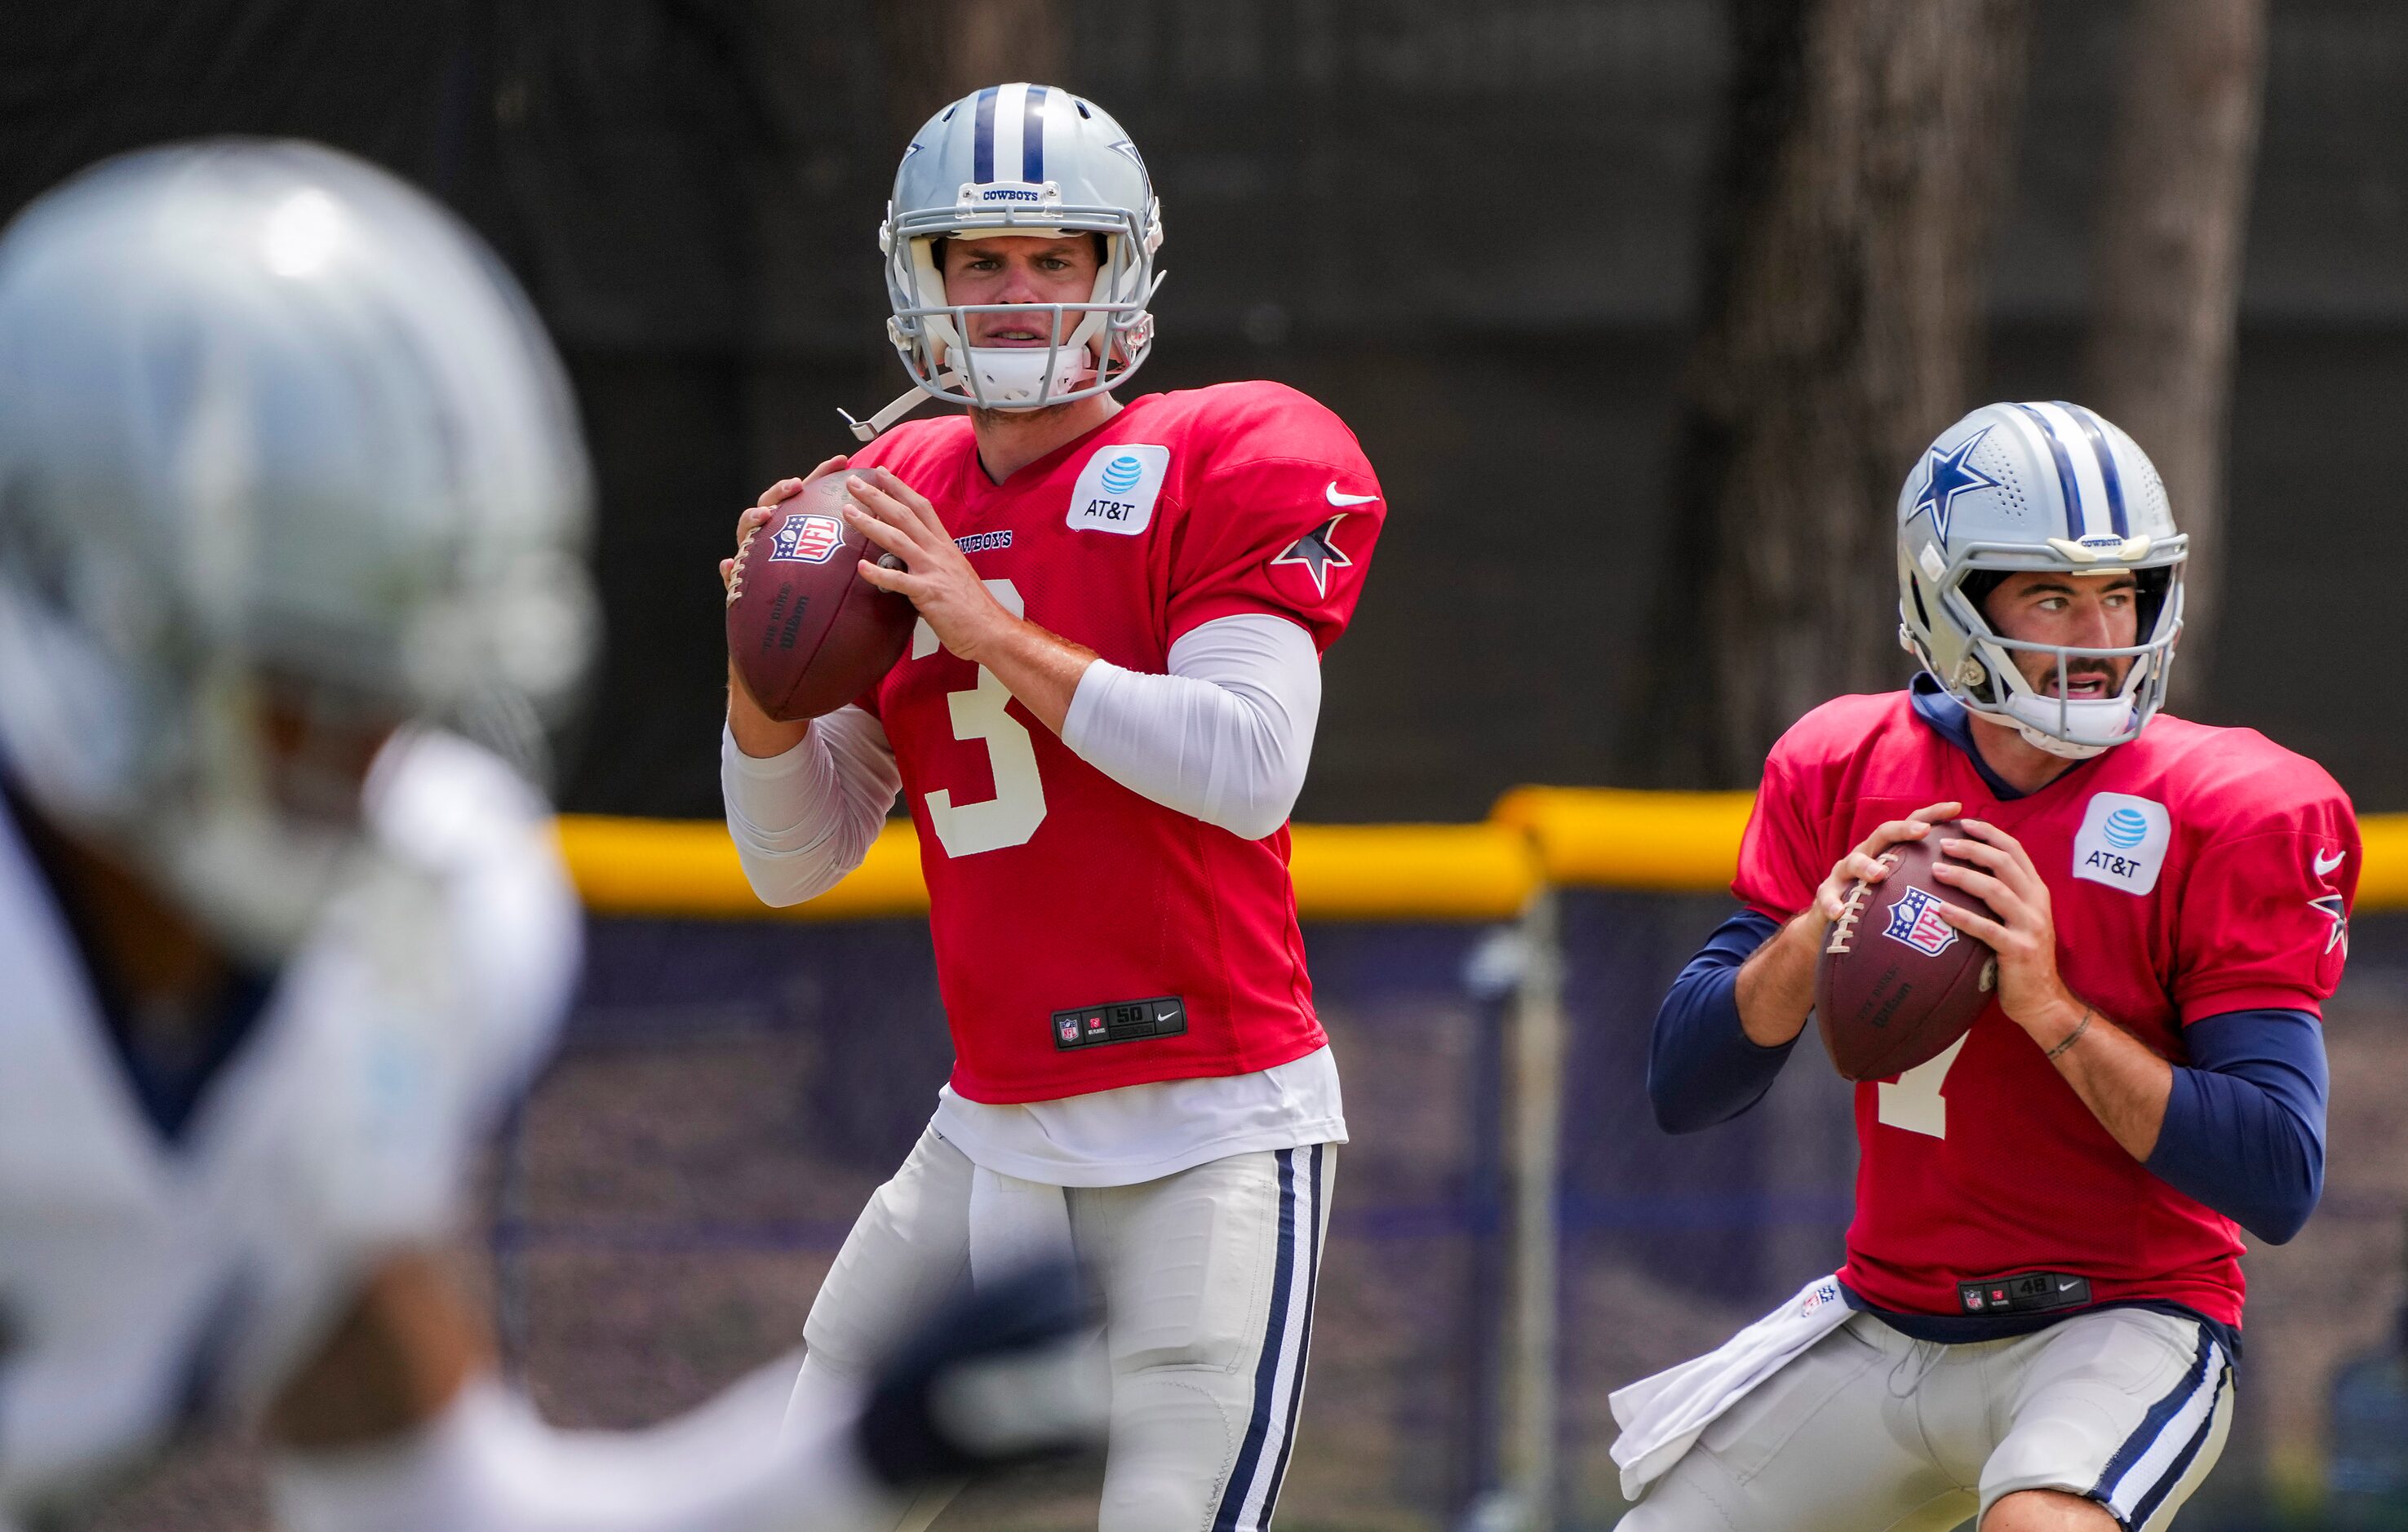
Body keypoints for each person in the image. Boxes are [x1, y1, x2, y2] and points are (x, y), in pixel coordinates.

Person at [0, 139, 1098, 1532]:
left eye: (405, 687)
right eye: (305, 689)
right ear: (75, 618)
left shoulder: (414, 926)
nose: (371, 761)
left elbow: (434, 1511)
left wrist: (866, 1448)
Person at [719, 82, 1384, 1532]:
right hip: (991, 1129)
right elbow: (793, 857)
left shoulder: (1228, 450)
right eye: (979, 261)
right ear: (923, 280)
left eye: (1053, 259)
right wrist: (760, 678)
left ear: (1117, 272)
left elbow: (1251, 761)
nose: (1016, 295)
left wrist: (981, 623)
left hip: (1207, 1123)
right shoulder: (886, 489)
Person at [1612, 401, 2351, 1532]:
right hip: (1886, 1318)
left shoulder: (2234, 806)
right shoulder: (1841, 764)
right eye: (2051, 594)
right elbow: (1685, 1084)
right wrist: (1812, 940)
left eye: (2123, 592)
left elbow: (2278, 1173)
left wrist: (2052, 1010)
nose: (2101, 635)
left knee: (2040, 1525)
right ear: (1942, 597)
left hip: (2118, 1320)